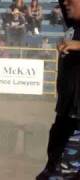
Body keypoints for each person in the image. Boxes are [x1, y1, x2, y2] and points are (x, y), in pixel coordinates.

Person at [36, 0, 80, 179]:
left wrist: (78, 45)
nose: (65, 3)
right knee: (53, 170)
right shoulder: (73, 26)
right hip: (67, 114)